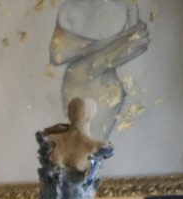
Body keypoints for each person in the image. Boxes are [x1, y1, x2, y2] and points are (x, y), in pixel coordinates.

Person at [49, 0, 149, 141]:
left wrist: (92, 51)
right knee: (82, 141)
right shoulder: (68, 9)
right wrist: (115, 44)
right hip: (77, 84)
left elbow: (138, 43)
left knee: (92, 145)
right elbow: (57, 54)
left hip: (106, 90)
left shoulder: (127, 6)